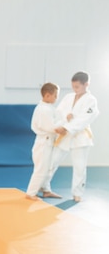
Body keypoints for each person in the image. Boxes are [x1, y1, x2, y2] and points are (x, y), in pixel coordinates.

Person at [41, 71, 99, 202]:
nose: (75, 89)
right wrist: (64, 121)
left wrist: (68, 125)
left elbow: (85, 119)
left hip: (80, 136)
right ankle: (45, 188)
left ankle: (77, 193)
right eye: (73, 86)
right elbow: (59, 112)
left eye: (77, 87)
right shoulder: (68, 97)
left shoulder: (91, 100)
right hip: (64, 134)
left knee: (79, 166)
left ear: (86, 84)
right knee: (52, 161)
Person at [24, 82, 61, 200]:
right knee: (41, 169)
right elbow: (52, 127)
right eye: (55, 95)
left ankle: (46, 190)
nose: (57, 98)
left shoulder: (49, 108)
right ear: (47, 95)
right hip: (43, 143)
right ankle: (30, 193)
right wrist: (64, 127)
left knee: (48, 167)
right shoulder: (43, 109)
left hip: (49, 142)